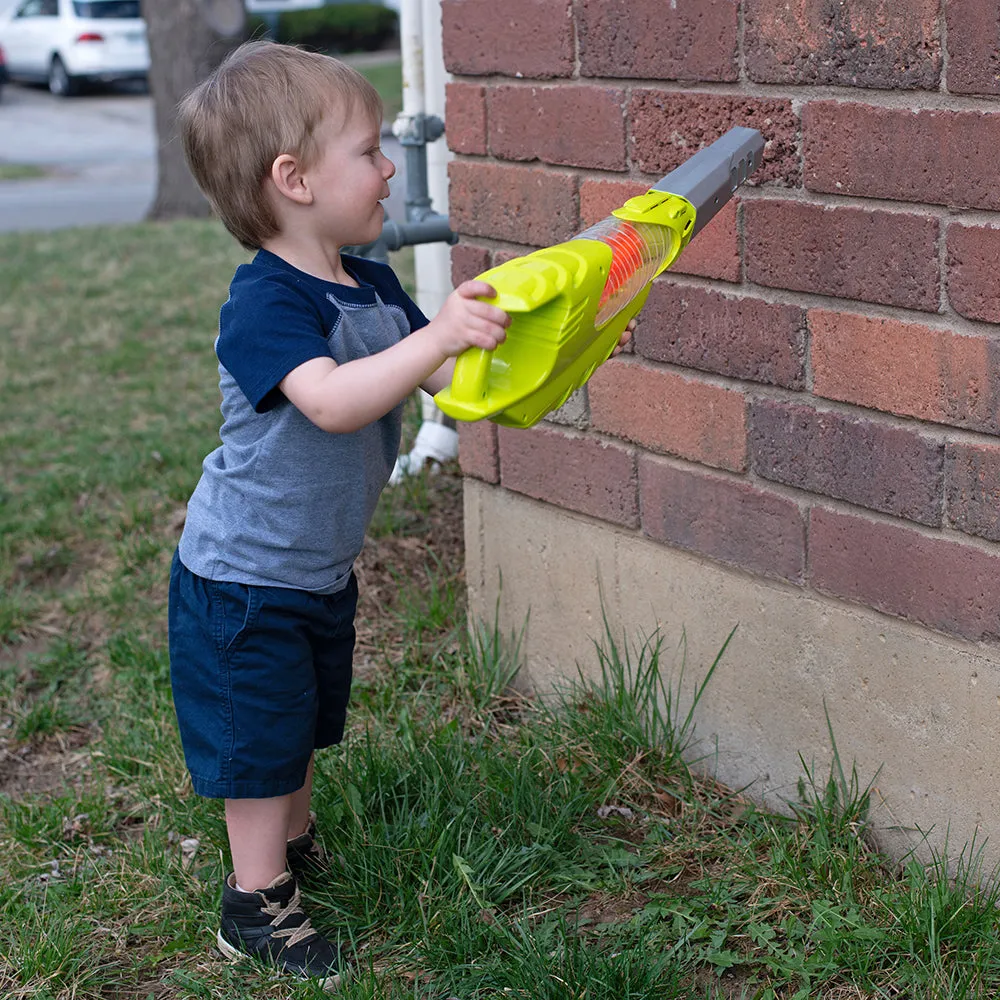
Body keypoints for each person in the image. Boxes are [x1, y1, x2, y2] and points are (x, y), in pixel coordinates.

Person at [168, 38, 631, 990]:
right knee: (258, 745)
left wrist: (534, 326)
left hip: (313, 571)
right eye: (370, 151)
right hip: (241, 578)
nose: (390, 169)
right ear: (292, 179)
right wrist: (441, 342)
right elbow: (337, 401)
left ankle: (292, 851)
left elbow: (445, 375)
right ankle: (253, 903)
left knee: (295, 723)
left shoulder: (370, 283)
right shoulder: (263, 303)